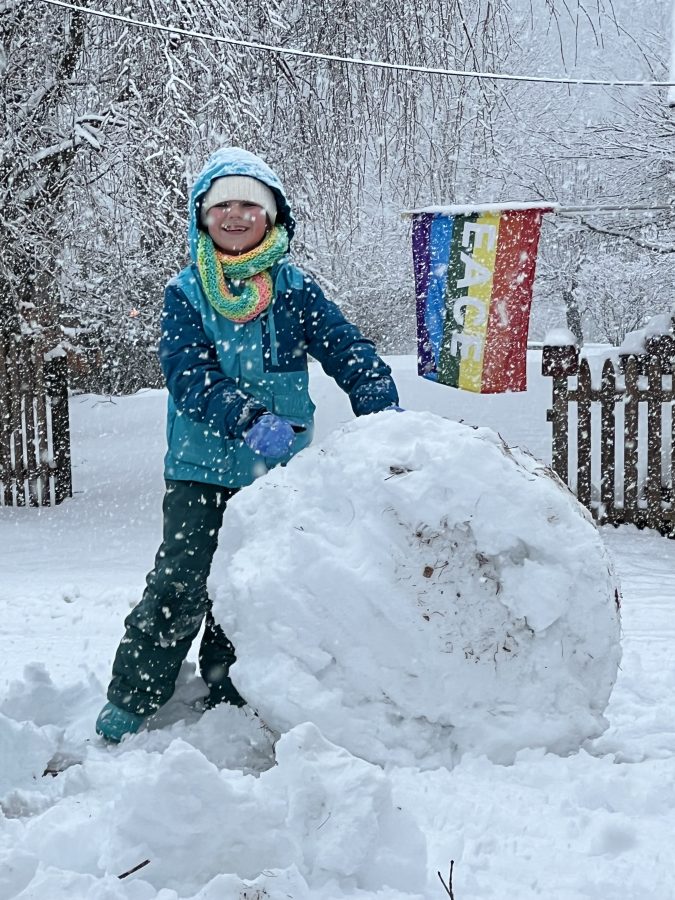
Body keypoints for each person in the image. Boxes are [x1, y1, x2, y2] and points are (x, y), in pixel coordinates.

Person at [95, 147, 400, 742]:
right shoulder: (185, 294)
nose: (235, 215)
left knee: (253, 586)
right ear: (202, 217)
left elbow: (345, 346)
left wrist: (379, 401)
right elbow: (189, 377)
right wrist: (245, 417)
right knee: (181, 583)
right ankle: (135, 693)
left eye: (249, 205)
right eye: (222, 205)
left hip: (277, 474)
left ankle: (232, 687)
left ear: (273, 217)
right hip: (199, 469)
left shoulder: (294, 289)